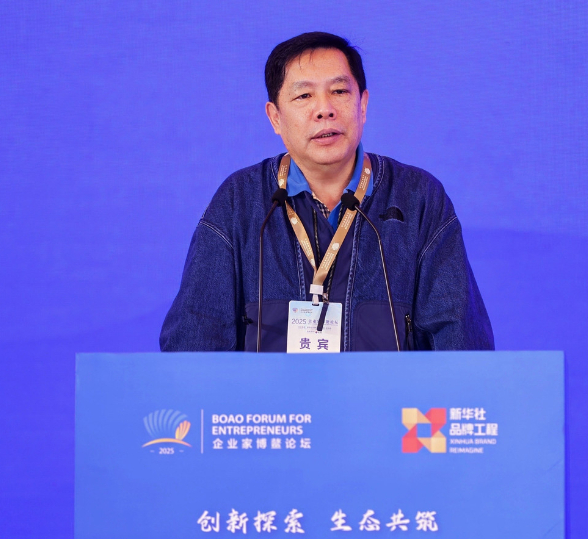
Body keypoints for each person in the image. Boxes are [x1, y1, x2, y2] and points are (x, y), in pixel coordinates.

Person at [160, 32, 493, 352]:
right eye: (304, 96)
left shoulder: (418, 198)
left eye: (339, 91)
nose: (324, 109)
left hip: (385, 395)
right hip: (271, 396)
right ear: (275, 118)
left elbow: (461, 345)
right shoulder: (239, 202)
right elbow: (194, 346)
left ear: (363, 105)